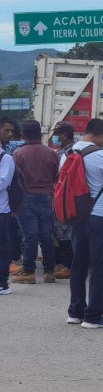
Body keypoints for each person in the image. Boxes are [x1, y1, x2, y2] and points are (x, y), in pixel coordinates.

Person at [66, 119, 103, 329]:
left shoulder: (67, 153)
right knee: (99, 268)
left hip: (76, 217)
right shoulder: (102, 155)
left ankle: (75, 312)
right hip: (100, 219)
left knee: (78, 265)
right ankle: (93, 317)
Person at [11, 120, 59, 285]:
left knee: (30, 236)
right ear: (40, 134)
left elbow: (14, 179)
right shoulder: (52, 153)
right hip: (47, 198)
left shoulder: (18, 153)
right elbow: (55, 177)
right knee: (46, 236)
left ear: (23, 135)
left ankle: (29, 272)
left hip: (26, 198)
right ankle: (50, 272)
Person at [52, 121, 76, 280]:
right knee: (59, 231)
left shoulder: (69, 152)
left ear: (64, 135)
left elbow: (62, 176)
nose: (55, 137)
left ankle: (68, 265)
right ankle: (62, 263)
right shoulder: (64, 151)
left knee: (65, 231)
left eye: (57, 134)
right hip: (62, 196)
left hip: (65, 197)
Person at [0, 118, 22, 276]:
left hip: (3, 207)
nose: (9, 134)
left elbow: (4, 183)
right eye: (6, 130)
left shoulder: (7, 156)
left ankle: (3, 280)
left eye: (11, 131)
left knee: (3, 243)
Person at [0, 136, 15, 295]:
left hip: (1, 211)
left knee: (2, 248)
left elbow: (3, 183)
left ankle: (2, 283)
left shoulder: (6, 158)